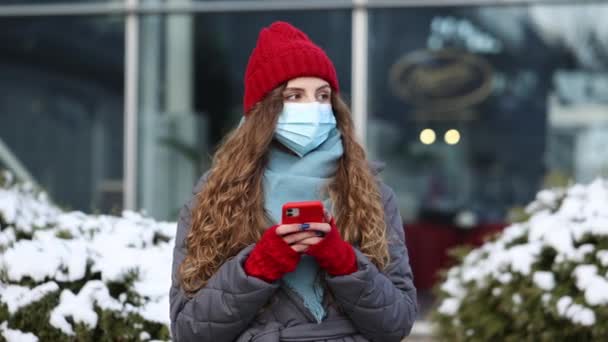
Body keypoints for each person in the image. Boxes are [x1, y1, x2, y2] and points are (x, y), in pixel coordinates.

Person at [169, 21, 417, 342]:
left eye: (323, 95)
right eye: (295, 95)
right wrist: (256, 268)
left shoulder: (373, 193)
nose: (312, 108)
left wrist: (345, 264)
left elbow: (396, 324)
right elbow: (189, 330)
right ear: (265, 109)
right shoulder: (214, 194)